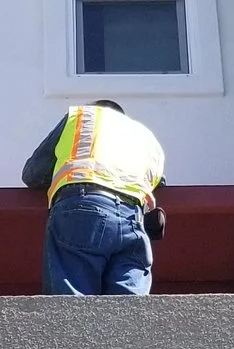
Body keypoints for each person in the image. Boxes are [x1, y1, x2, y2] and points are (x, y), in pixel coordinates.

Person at [21, 101, 167, 295]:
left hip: (83, 207)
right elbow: (159, 182)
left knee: (73, 308)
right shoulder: (147, 139)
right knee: (128, 314)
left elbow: (33, 173)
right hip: (133, 218)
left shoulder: (85, 116)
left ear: (98, 107)